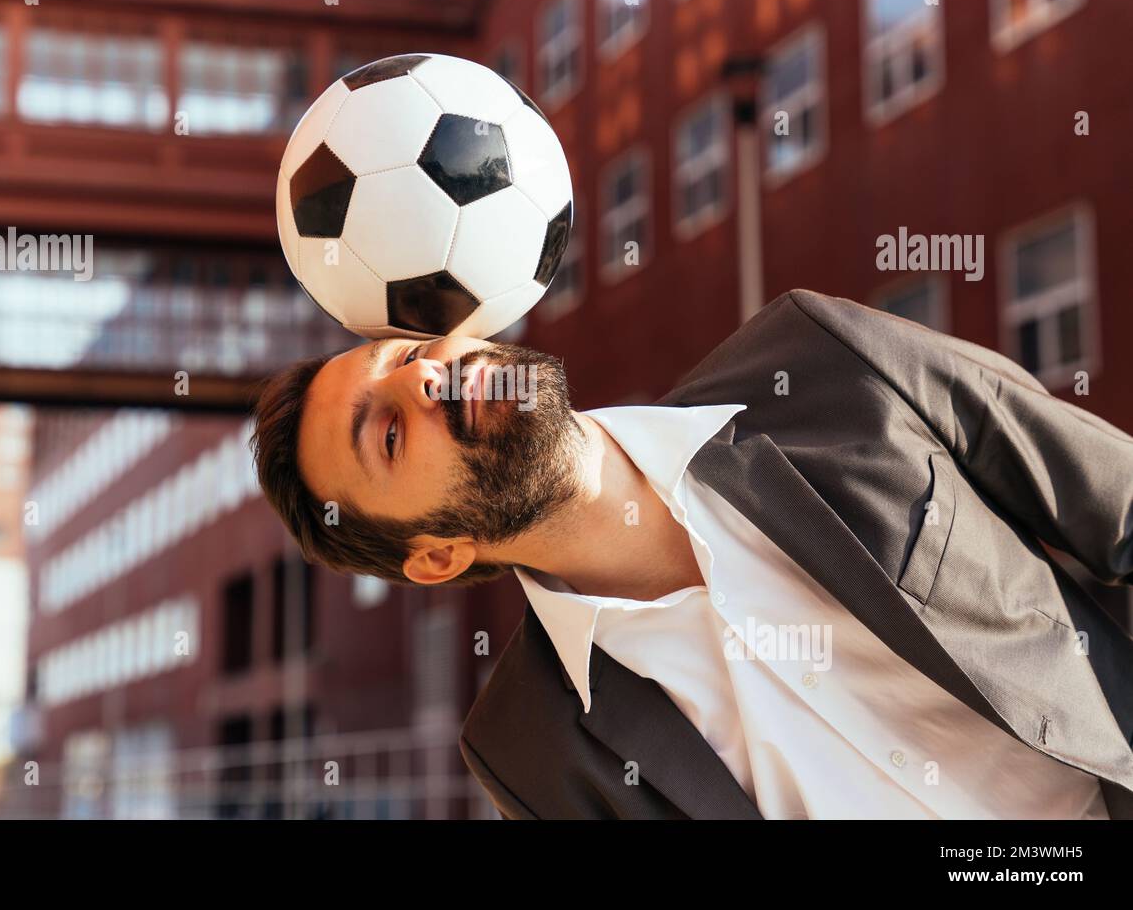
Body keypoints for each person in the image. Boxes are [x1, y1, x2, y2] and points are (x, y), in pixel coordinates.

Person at [250, 289, 1133, 818]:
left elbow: (1116, 503)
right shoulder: (528, 750)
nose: (430, 376)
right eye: (392, 434)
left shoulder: (823, 360)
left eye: (403, 354)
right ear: (438, 556)